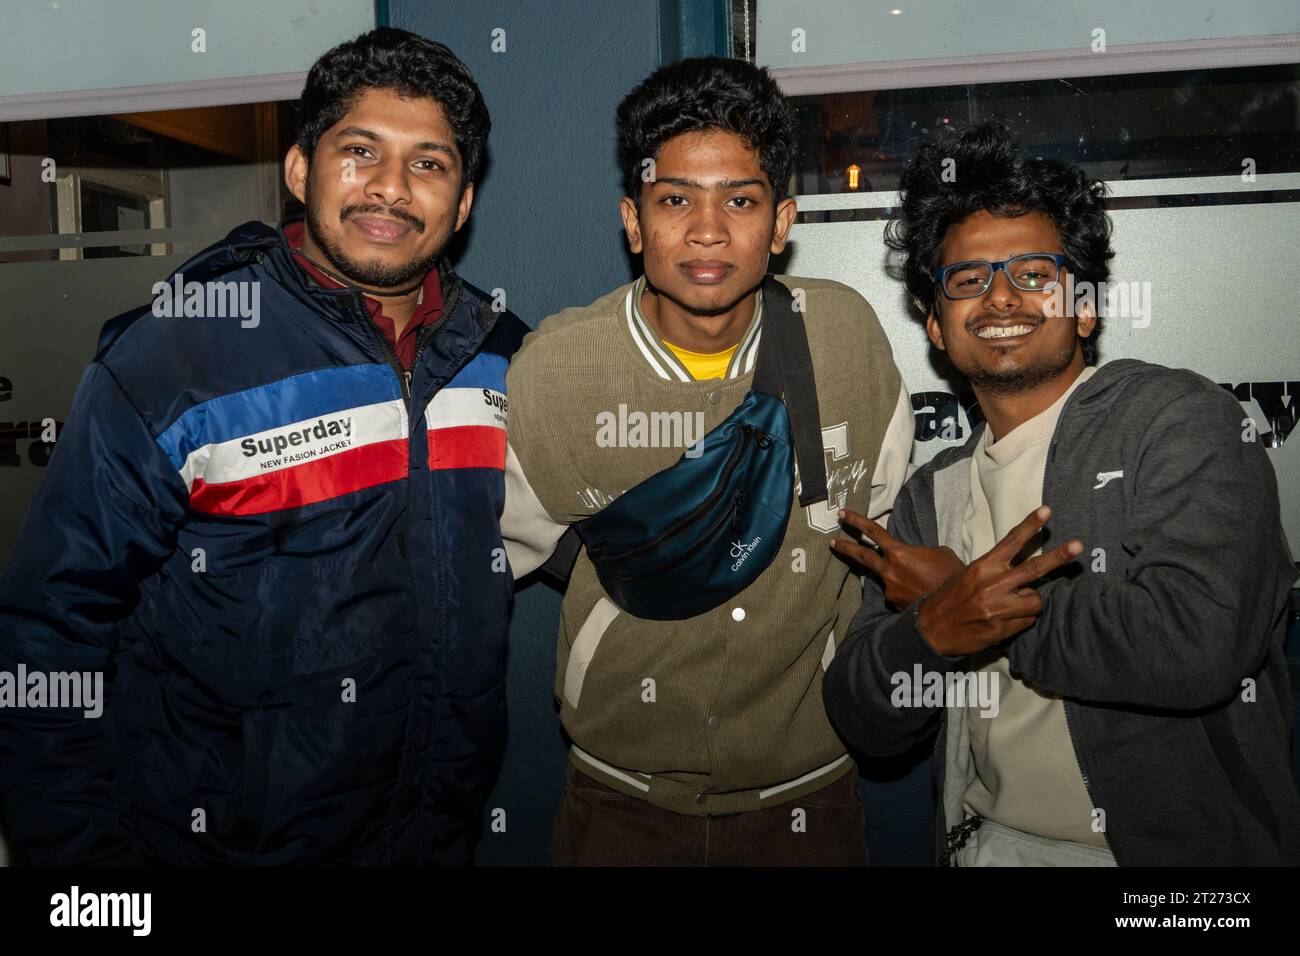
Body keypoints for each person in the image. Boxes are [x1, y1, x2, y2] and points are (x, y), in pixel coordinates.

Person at [0, 28, 527, 865]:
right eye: (360, 151)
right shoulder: (175, 356)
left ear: (462, 203)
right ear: (299, 170)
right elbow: (49, 629)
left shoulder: (504, 357)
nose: (390, 188)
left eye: (428, 163)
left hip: (430, 838)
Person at [824, 121, 1300, 866]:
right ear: (937, 328)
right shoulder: (933, 492)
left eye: (1035, 275)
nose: (1001, 296)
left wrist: (984, 609)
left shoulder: (1177, 423)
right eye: (969, 279)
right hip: (986, 848)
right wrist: (929, 633)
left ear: (1084, 307)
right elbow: (865, 719)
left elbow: (1200, 645)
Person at [502, 57, 913, 866]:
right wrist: (652, 566)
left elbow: (882, 515)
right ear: (633, 221)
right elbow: (525, 539)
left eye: (741, 200)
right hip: (619, 800)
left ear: (782, 221)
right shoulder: (556, 369)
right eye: (675, 199)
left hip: (810, 798)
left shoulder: (844, 337)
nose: (708, 230)